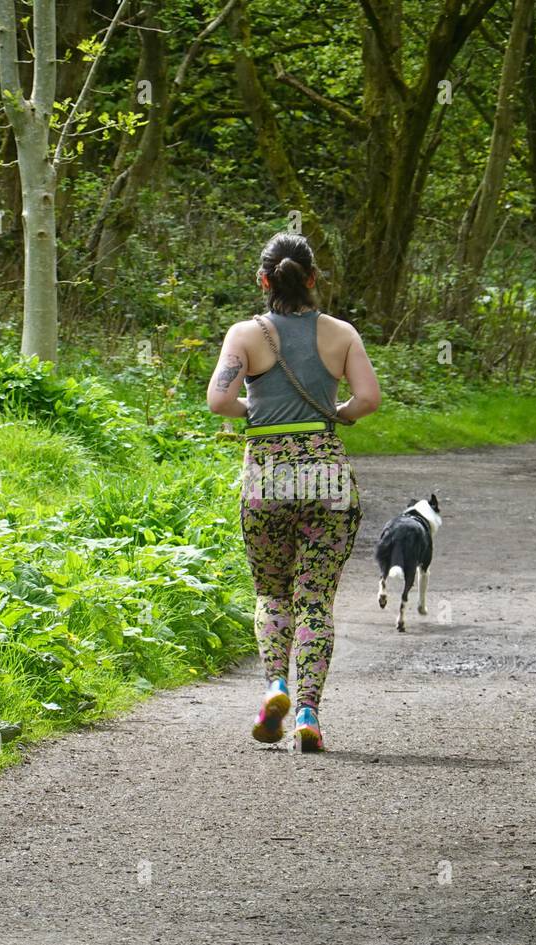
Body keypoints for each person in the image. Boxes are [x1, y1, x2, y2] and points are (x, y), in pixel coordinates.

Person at [206, 232, 381, 751]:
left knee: (271, 592)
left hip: (266, 474)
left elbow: (220, 401)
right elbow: (367, 399)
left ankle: (275, 686)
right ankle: (308, 713)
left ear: (263, 280)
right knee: (315, 601)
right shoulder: (341, 333)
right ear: (311, 279)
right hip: (326, 474)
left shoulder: (245, 333)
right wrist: (338, 413)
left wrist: (255, 414)